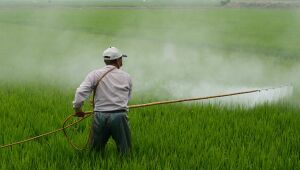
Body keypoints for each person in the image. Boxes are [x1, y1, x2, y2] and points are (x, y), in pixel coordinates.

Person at [72, 47, 132, 155]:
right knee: (125, 151)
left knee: (95, 152)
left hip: (100, 116)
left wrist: (78, 109)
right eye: (121, 59)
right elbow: (126, 98)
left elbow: (80, 92)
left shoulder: (94, 74)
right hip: (119, 116)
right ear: (118, 60)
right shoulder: (126, 77)